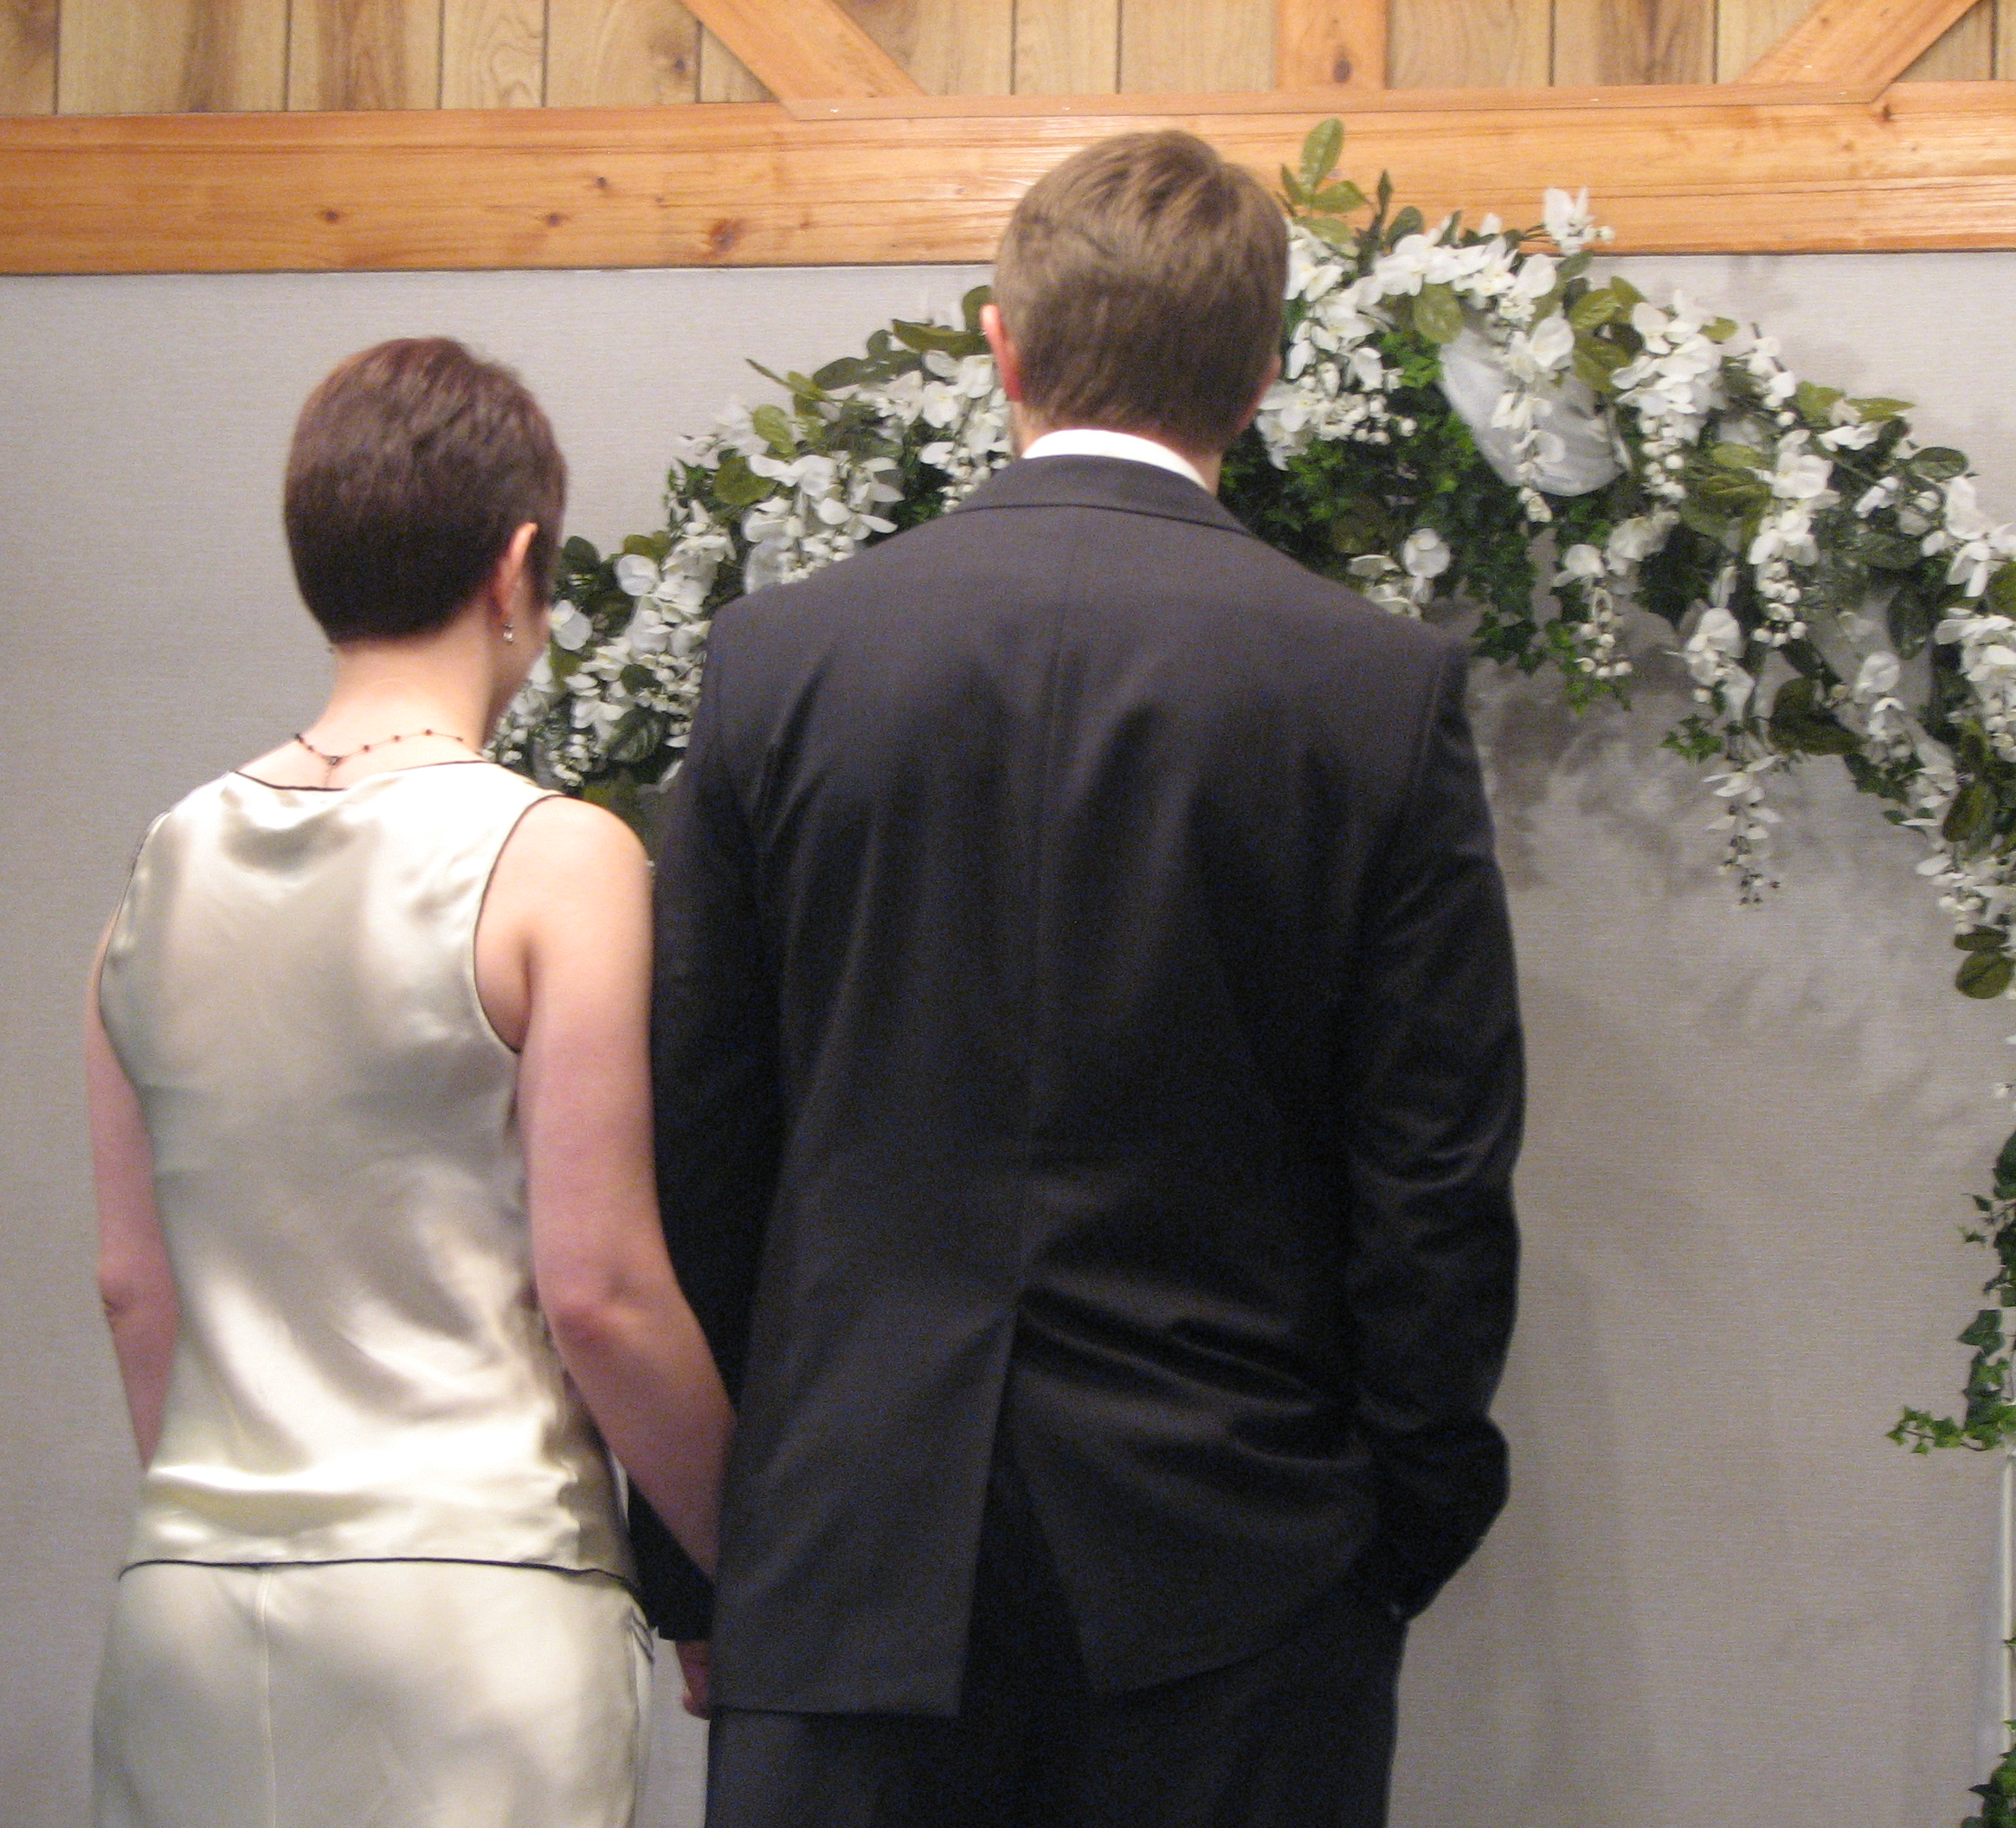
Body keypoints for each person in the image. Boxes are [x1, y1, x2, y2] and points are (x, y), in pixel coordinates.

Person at [634, 130, 1525, 1828]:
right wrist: (1393, 1534)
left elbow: (700, 1146)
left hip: (843, 1555)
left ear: (1005, 348)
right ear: (1261, 375)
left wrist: (697, 1559)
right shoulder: (1370, 690)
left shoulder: (779, 663)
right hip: (1238, 1572)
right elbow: (1434, 1171)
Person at [85, 337, 733, 1828]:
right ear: (515, 568)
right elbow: (600, 1293)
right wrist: (745, 1560)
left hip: (189, 1603)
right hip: (475, 1604)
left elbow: (133, 1288)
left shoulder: (157, 874)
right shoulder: (558, 860)